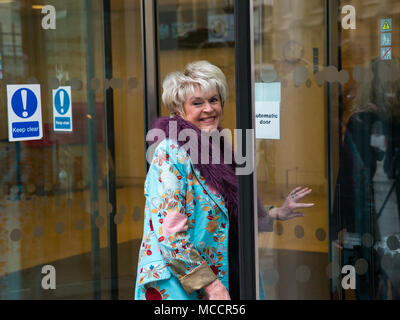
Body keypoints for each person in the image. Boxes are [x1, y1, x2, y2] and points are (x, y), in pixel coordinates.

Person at [134, 61, 314, 300]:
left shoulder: (219, 147)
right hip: (186, 285)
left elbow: (228, 210)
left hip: (228, 270)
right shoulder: (170, 152)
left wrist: (274, 213)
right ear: (179, 110)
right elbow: (170, 235)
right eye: (197, 103)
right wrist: (210, 285)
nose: (209, 109)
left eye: (214, 100)